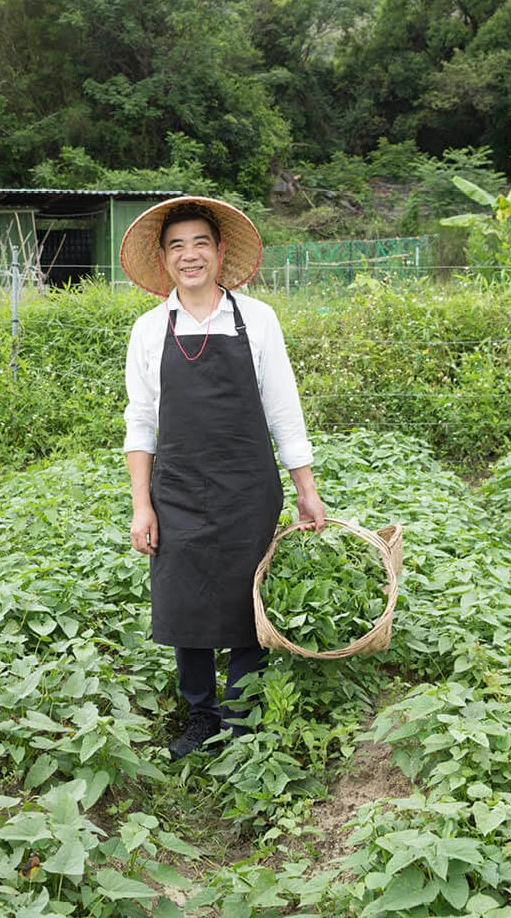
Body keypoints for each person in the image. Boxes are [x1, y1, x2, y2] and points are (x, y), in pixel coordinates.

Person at [120, 196, 326, 760]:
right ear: (164, 260)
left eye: (200, 243)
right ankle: (201, 717)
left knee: (244, 599)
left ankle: (239, 719)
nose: (190, 256)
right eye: (177, 246)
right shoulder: (148, 329)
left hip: (246, 486)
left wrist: (306, 488)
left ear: (220, 251)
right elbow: (140, 422)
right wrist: (143, 504)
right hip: (178, 488)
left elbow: (284, 408)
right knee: (182, 602)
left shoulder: (257, 319)